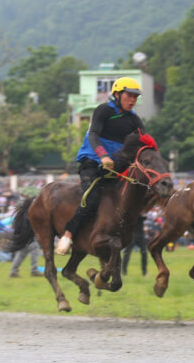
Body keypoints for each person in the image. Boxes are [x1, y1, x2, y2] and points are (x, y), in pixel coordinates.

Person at [56, 77, 147, 255]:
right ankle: (68, 234)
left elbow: (145, 143)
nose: (133, 100)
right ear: (117, 94)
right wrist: (103, 155)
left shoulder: (134, 120)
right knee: (92, 199)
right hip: (91, 163)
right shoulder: (103, 110)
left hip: (115, 169)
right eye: (129, 95)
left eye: (136, 97)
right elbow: (93, 135)